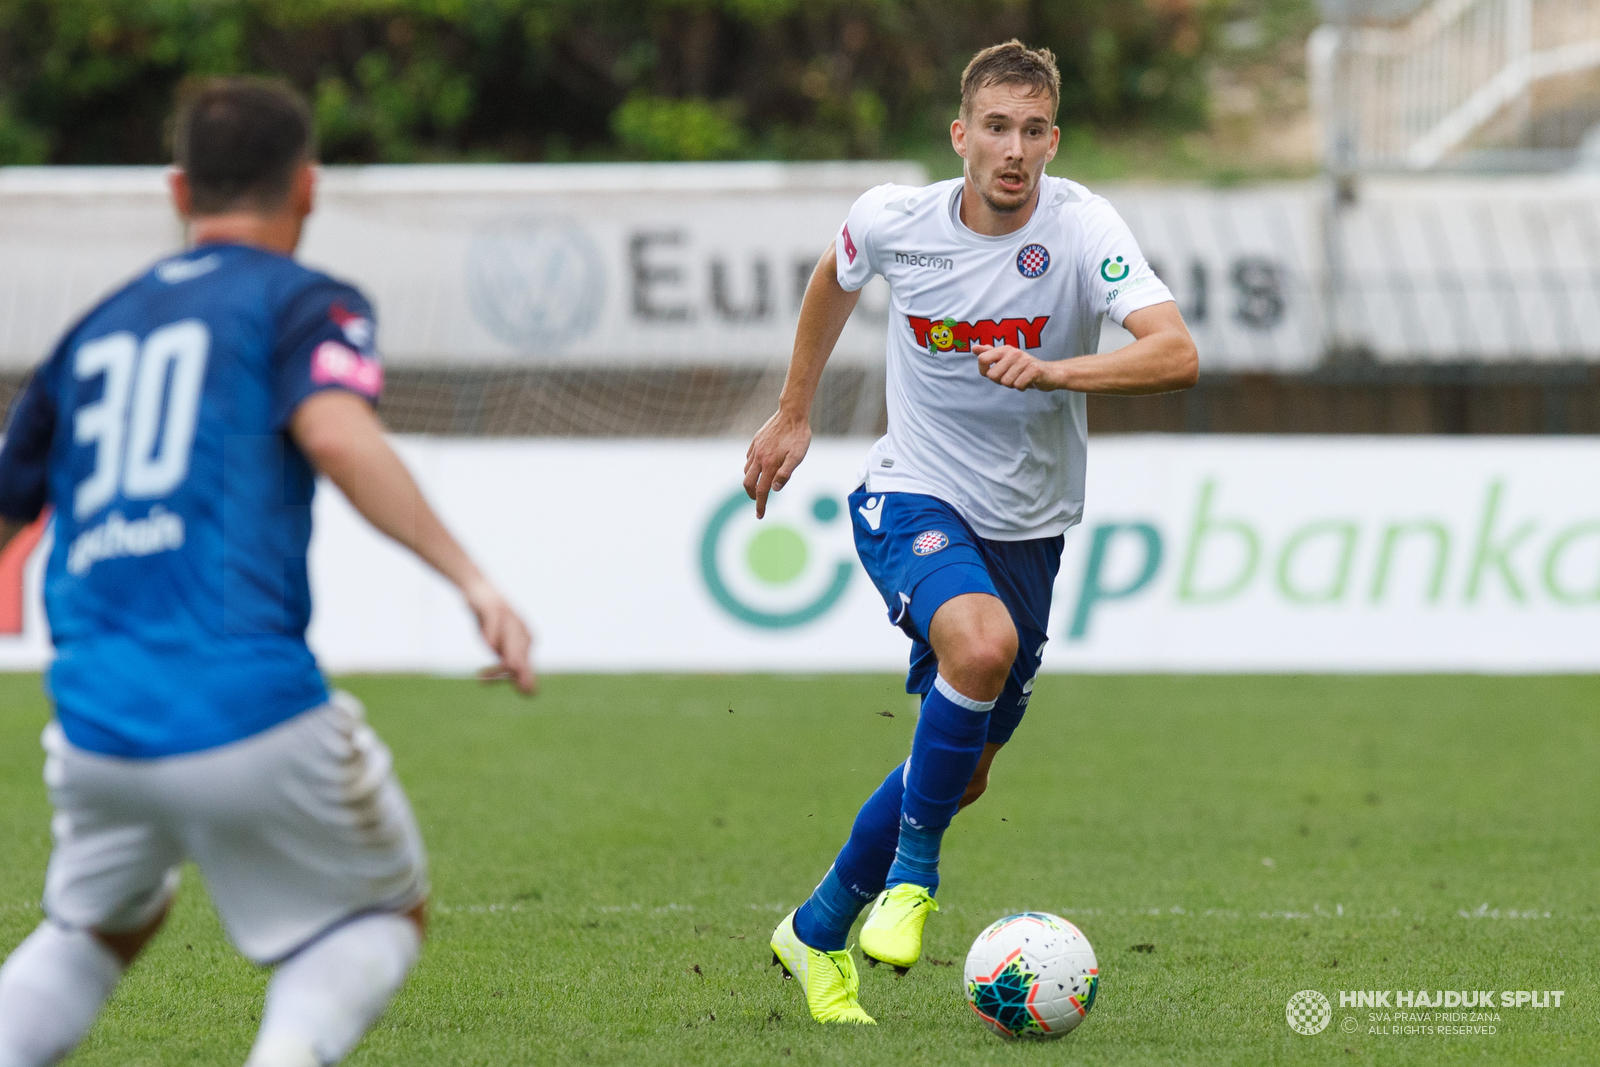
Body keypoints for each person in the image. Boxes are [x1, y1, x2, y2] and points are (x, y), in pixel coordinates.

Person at [0, 78, 535, 1067]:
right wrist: (473, 579)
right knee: (380, 913)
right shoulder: (304, 300)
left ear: (177, 189)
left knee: (100, 922)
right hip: (247, 701)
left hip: (91, 721)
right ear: (307, 187)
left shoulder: (91, 330)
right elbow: (335, 429)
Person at [745, 40, 1198, 1025]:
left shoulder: (1083, 228)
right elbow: (835, 276)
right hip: (911, 490)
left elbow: (1174, 352)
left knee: (967, 767)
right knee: (979, 645)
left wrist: (1056, 371)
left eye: (1033, 131)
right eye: (995, 127)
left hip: (1030, 529)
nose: (1013, 150)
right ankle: (911, 879)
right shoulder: (894, 220)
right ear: (960, 135)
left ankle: (817, 928)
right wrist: (791, 412)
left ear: (1053, 142)